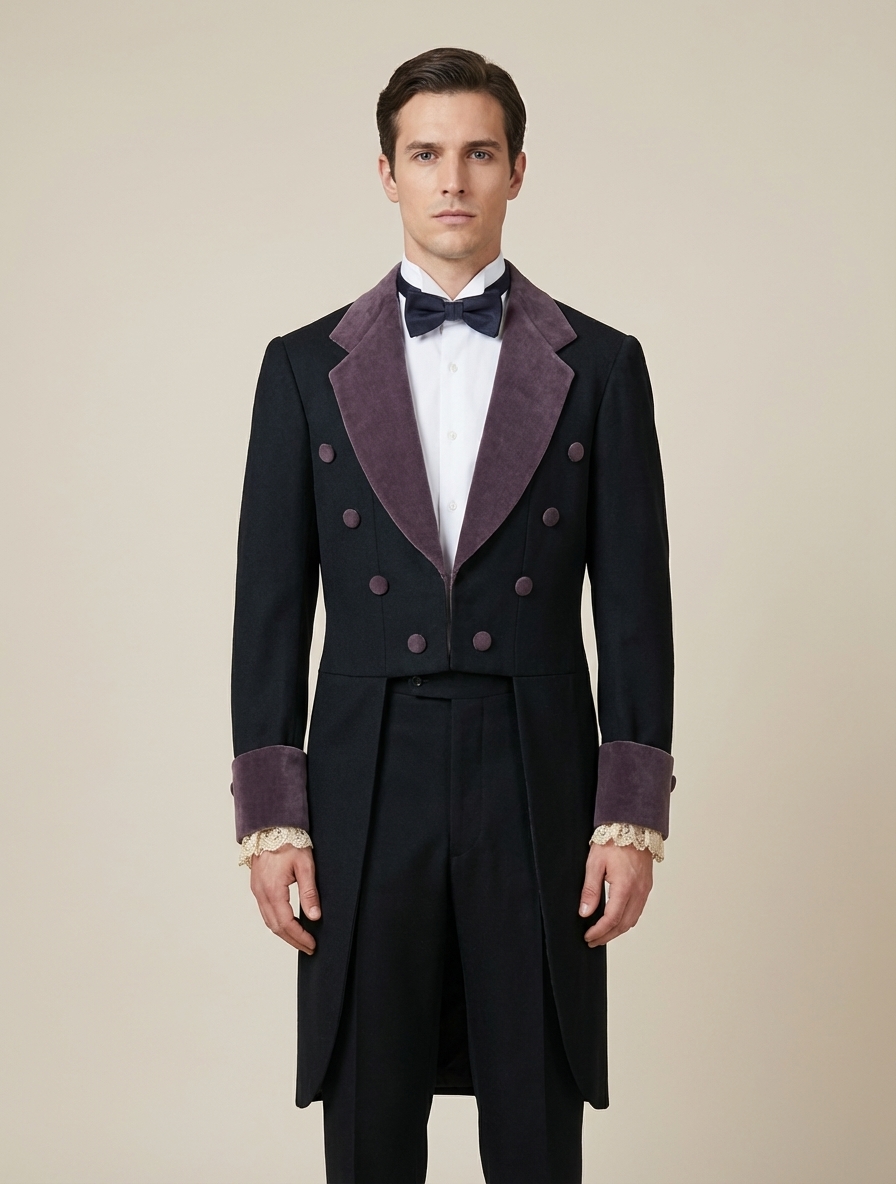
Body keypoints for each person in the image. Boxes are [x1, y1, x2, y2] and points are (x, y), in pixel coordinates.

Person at [230, 46, 675, 1184]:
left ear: (517, 170)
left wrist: (628, 821)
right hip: (363, 769)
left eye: (479, 153)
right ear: (386, 173)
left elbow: (635, 608)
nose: (452, 180)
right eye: (425, 154)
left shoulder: (602, 367)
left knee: (536, 1115)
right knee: (368, 1117)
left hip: (537, 767)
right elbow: (269, 608)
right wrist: (272, 822)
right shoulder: (301, 369)